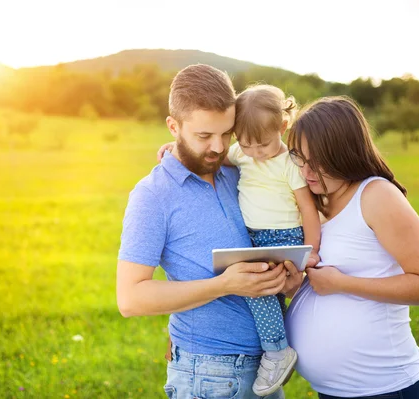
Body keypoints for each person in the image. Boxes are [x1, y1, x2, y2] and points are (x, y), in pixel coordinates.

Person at [117, 64, 304, 399]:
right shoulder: (152, 195)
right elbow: (131, 298)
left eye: (226, 134)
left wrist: (288, 283)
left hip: (266, 371)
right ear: (173, 126)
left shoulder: (238, 172)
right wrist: (224, 285)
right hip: (207, 375)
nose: (218, 147)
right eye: (203, 136)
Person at [284, 96, 419, 399]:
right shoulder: (315, 204)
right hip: (334, 391)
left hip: (384, 388)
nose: (306, 170)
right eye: (299, 157)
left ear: (344, 153)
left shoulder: (376, 196)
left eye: (318, 160)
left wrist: (342, 284)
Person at [157, 84, 321, 396]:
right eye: (247, 145)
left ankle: (277, 351)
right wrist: (175, 146)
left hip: (283, 235)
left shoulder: (290, 164)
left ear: (282, 127)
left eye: (263, 144)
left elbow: (307, 208)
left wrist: (311, 251)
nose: (256, 153)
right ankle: (279, 347)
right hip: (254, 237)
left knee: (258, 291)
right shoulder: (241, 155)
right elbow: (208, 154)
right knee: (264, 293)